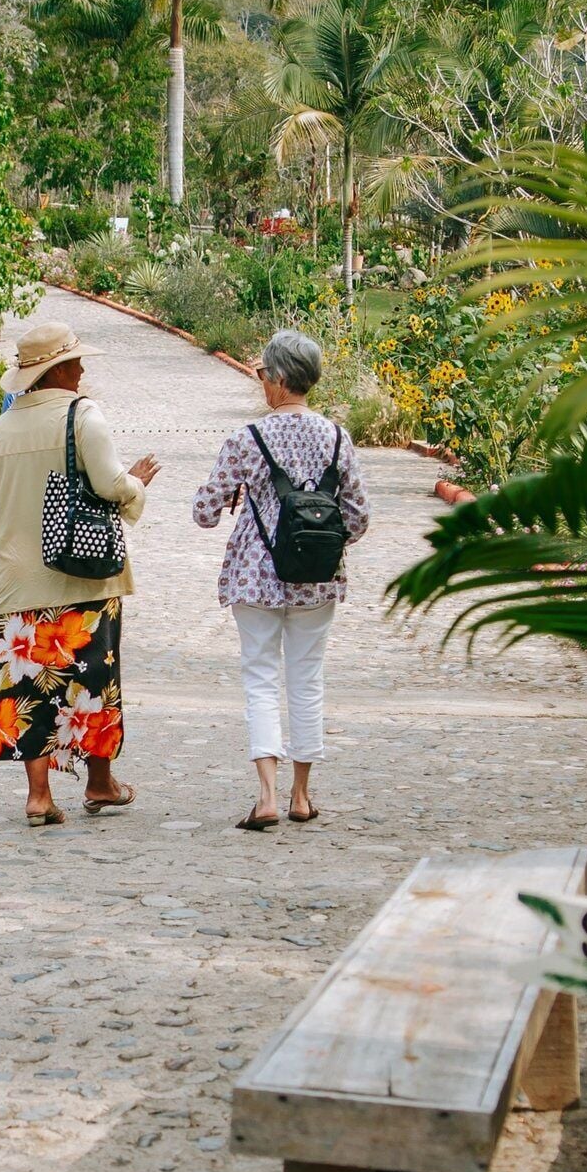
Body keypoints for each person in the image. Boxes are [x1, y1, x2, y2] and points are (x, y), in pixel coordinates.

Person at [0, 321, 159, 827]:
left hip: (15, 582)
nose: (82, 371)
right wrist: (136, 486)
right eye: (76, 363)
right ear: (58, 369)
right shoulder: (83, 416)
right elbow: (108, 483)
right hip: (81, 577)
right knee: (92, 682)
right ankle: (100, 784)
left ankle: (39, 796)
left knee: (26, 688)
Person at [192, 329, 370, 830]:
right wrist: (321, 543)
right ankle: (300, 795)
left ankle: (266, 795)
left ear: (281, 378)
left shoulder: (247, 439)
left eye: (263, 374)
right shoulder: (337, 438)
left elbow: (204, 511)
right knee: (307, 679)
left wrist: (238, 502)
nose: (262, 382)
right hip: (317, 581)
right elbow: (358, 516)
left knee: (261, 680)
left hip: (256, 576)